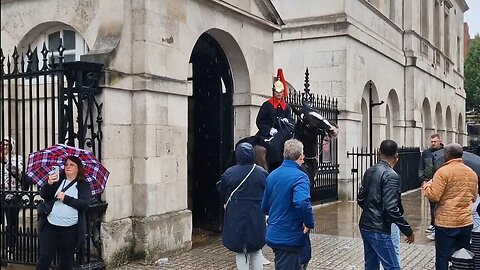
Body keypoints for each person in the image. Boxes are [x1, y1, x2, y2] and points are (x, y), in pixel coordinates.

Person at [357, 139, 415, 270]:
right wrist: (407, 230)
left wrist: (371, 210)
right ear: (396, 156)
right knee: (392, 266)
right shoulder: (391, 175)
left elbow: (360, 198)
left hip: (366, 224)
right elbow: (391, 208)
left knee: (371, 264)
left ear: (379, 152)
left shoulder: (370, 170)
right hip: (379, 227)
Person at [422, 143, 478, 270]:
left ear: (448, 154)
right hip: (465, 222)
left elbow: (434, 196)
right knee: (463, 255)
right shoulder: (472, 173)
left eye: (444, 153)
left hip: (446, 223)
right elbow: (474, 198)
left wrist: (426, 185)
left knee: (442, 256)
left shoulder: (442, 172)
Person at [261, 139, 314, 270]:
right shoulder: (300, 177)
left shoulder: (272, 175)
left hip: (275, 232)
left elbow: (265, 207)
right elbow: (302, 202)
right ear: (301, 156)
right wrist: (309, 222)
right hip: (289, 235)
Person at [217, 143, 268, 270]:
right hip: (256, 216)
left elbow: (221, 190)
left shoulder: (230, 172)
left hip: (236, 216)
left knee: (240, 252)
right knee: (256, 250)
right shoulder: (261, 173)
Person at [36, 156, 92, 270]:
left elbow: (84, 204)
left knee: (66, 260)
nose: (68, 167)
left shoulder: (83, 185)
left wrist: (66, 198)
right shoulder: (58, 180)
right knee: (45, 257)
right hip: (50, 226)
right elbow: (44, 195)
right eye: (66, 164)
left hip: (70, 229)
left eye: (72, 165)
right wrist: (49, 183)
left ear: (78, 168)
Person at [256, 68, 293, 171]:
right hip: (268, 134)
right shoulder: (267, 105)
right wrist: (269, 130)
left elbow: (290, 120)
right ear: (273, 91)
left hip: (283, 132)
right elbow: (260, 121)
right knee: (273, 147)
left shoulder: (287, 107)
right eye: (277, 91)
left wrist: (287, 121)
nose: (279, 94)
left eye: (281, 92)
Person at [0, 137, 24, 256]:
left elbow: (18, 171)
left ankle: (11, 248)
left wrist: (6, 161)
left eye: (7, 145)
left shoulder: (17, 159)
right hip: (1, 194)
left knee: (11, 222)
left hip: (12, 195)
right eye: (2, 145)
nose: (4, 147)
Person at [418, 134, 444, 241]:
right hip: (429, 181)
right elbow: (421, 166)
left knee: (440, 204)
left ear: (439, 141)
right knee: (432, 205)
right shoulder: (426, 152)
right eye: (432, 141)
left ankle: (437, 224)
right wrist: (422, 179)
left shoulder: (445, 152)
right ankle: (433, 223)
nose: (433, 143)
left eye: (435, 141)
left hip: (440, 181)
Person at [253, 145, 271, 266]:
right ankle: (258, 255)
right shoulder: (261, 172)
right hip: (260, 204)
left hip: (255, 204)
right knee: (259, 231)